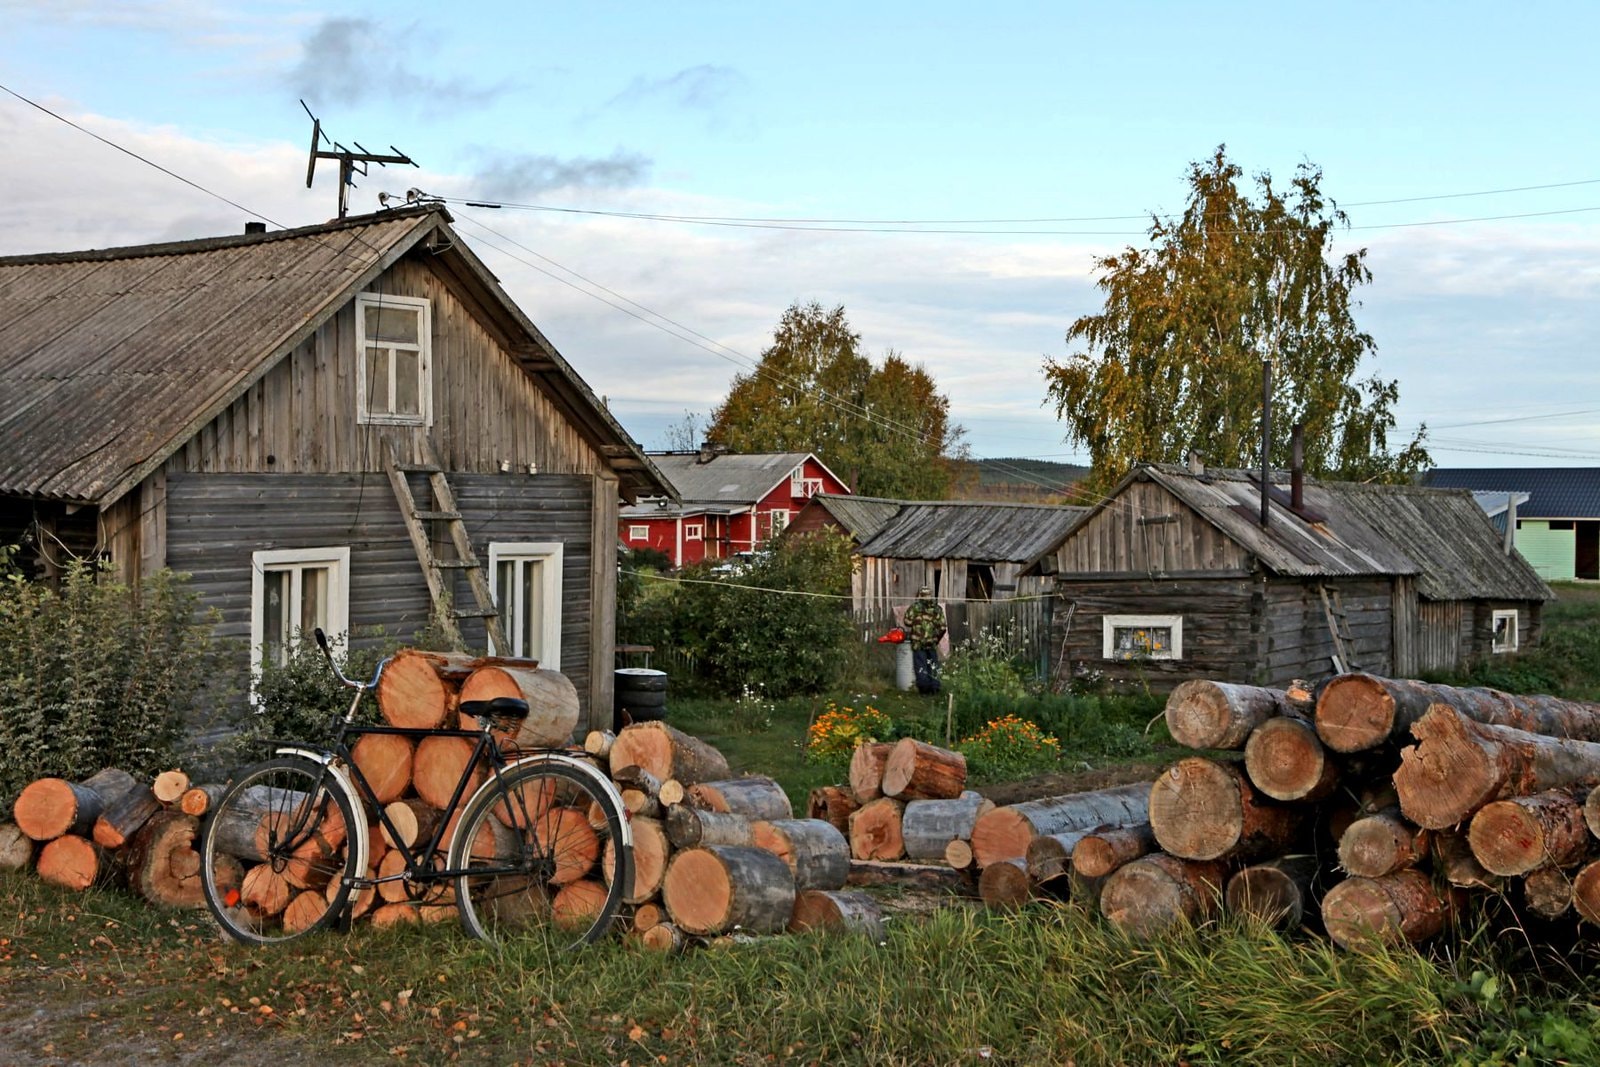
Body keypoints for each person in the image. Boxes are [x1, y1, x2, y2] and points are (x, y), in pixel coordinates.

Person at [902, 585, 947, 695]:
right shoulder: (937, 608)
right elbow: (943, 627)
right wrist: (936, 639)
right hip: (932, 643)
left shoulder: (914, 608)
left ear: (920, 595)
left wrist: (917, 622)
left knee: (921, 666)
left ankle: (924, 690)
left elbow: (907, 622)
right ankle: (935, 688)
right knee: (933, 665)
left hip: (918, 643)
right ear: (930, 595)